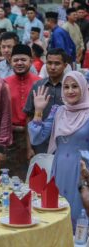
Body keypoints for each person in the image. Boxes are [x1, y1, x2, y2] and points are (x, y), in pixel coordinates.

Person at [28, 71, 89, 228]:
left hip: (82, 170)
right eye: (66, 87)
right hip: (60, 169)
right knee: (58, 211)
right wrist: (38, 111)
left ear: (83, 88)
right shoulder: (58, 111)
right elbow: (37, 138)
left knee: (79, 213)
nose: (70, 91)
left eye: (75, 86)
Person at [4, 44, 41, 179]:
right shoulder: (4, 84)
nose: (19, 63)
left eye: (23, 60)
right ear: (11, 61)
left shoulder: (40, 83)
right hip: (11, 138)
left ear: (30, 61)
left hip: (35, 138)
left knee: (33, 177)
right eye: (16, 60)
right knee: (11, 177)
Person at [24, 48, 67, 154]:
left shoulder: (70, 87)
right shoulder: (38, 86)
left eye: (57, 63)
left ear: (65, 65)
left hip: (64, 144)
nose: (52, 67)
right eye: (49, 63)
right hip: (40, 144)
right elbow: (29, 116)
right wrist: (29, 148)